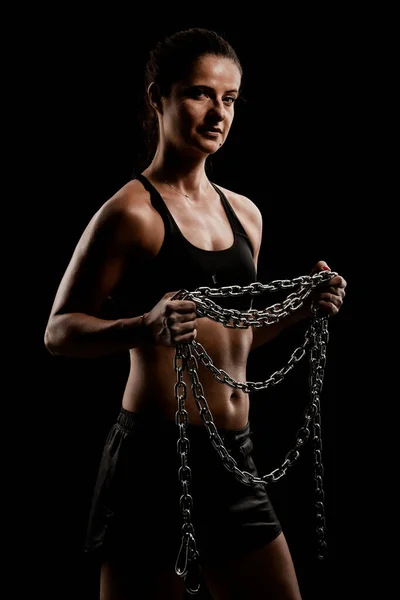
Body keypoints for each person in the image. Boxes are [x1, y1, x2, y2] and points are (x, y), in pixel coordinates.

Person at [44, 27, 347, 600]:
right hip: (156, 461)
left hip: (236, 456)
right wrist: (142, 326)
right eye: (200, 94)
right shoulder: (130, 212)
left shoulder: (245, 215)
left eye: (229, 98)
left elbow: (237, 341)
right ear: (159, 97)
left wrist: (302, 310)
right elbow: (59, 333)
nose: (218, 112)